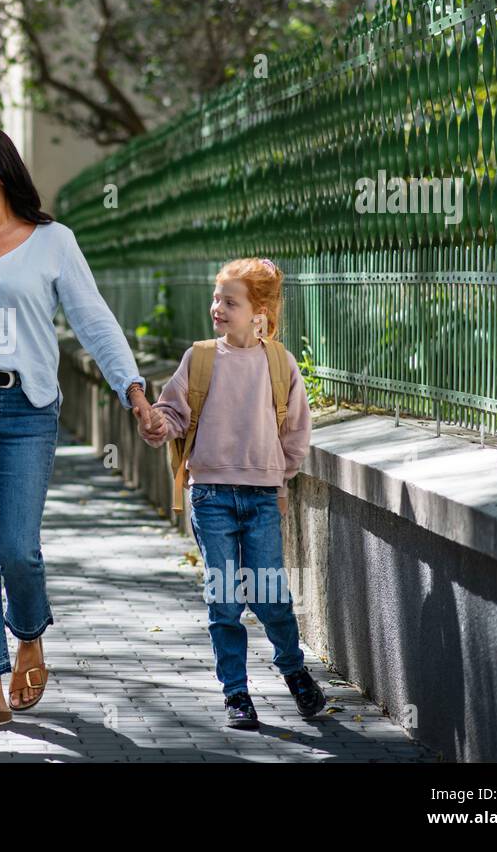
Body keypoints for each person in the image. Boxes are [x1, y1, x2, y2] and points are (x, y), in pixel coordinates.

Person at [0, 125, 158, 732]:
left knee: (19, 547)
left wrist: (135, 394)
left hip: (27, 407)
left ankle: (30, 634)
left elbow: (94, 321)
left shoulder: (53, 242)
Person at [139, 257, 326, 730]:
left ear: (259, 310)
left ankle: (293, 668)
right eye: (216, 298)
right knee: (224, 600)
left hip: (262, 497)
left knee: (270, 596)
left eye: (230, 301)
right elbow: (174, 412)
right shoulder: (200, 358)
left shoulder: (279, 363)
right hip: (211, 496)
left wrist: (278, 475)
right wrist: (159, 424)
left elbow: (297, 430)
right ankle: (237, 695)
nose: (217, 307)